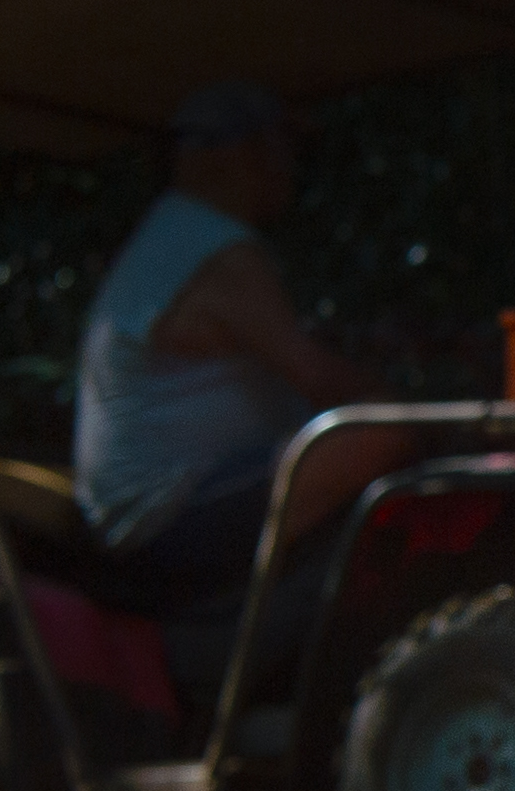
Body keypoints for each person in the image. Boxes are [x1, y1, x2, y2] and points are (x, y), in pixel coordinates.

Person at [70, 82, 414, 591]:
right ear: (237, 152)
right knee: (386, 430)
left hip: (152, 515)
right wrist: (409, 399)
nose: (289, 166)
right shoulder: (214, 246)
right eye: (280, 146)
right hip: (166, 523)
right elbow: (316, 376)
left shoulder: (176, 234)